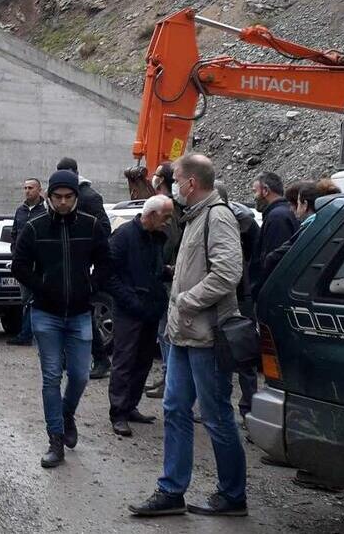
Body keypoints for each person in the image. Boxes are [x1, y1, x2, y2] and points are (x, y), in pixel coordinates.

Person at [130, 153, 247, 518]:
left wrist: (186, 301)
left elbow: (228, 273)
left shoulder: (218, 217)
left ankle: (232, 495)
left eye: (176, 179)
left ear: (191, 183)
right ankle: (171, 491)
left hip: (207, 338)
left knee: (215, 416)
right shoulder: (195, 217)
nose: (173, 187)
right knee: (175, 409)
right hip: (183, 335)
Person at [12, 169, 112, 468]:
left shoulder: (91, 226)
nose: (64, 202)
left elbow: (106, 262)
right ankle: (55, 439)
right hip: (46, 314)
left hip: (81, 313)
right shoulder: (36, 227)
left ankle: (66, 413)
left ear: (76, 197)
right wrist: (43, 286)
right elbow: (18, 265)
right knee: (52, 377)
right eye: (58, 197)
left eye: (69, 197)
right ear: (49, 197)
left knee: (80, 375)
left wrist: (90, 288)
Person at [108, 195, 173, 437]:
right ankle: (118, 412)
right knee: (125, 360)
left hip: (150, 309)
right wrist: (130, 300)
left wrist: (167, 272)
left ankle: (130, 406)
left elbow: (151, 270)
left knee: (143, 360)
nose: (168, 222)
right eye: (165, 217)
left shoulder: (155, 239)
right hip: (129, 310)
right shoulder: (124, 236)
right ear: (152, 215)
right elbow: (109, 274)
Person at [55, 157, 112, 380]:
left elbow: (104, 230)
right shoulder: (67, 197)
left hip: (81, 266)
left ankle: (100, 359)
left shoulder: (89, 197)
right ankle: (69, 357)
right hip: (66, 264)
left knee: (84, 314)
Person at [215, 180, 261, 419]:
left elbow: (256, 257)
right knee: (237, 357)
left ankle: (242, 407)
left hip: (238, 296)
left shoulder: (230, 223)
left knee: (234, 357)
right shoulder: (246, 222)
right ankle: (245, 407)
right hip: (240, 294)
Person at [145, 161, 182, 400]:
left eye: (157, 176)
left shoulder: (169, 209)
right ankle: (167, 377)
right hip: (165, 277)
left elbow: (168, 242)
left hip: (167, 278)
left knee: (166, 331)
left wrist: (161, 267)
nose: (153, 178)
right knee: (162, 332)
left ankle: (170, 380)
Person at [6, 178, 46, 346]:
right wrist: (15, 253)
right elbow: (14, 233)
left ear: (39, 190)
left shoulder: (45, 211)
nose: (27, 190)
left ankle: (31, 334)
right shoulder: (20, 211)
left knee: (35, 298)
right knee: (26, 299)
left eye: (31, 188)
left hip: (39, 264)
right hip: (23, 263)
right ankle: (27, 333)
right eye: (25, 188)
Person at [250, 171, 299, 300]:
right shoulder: (284, 213)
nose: (254, 197)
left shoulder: (277, 218)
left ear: (265, 190)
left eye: (255, 191)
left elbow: (274, 263)